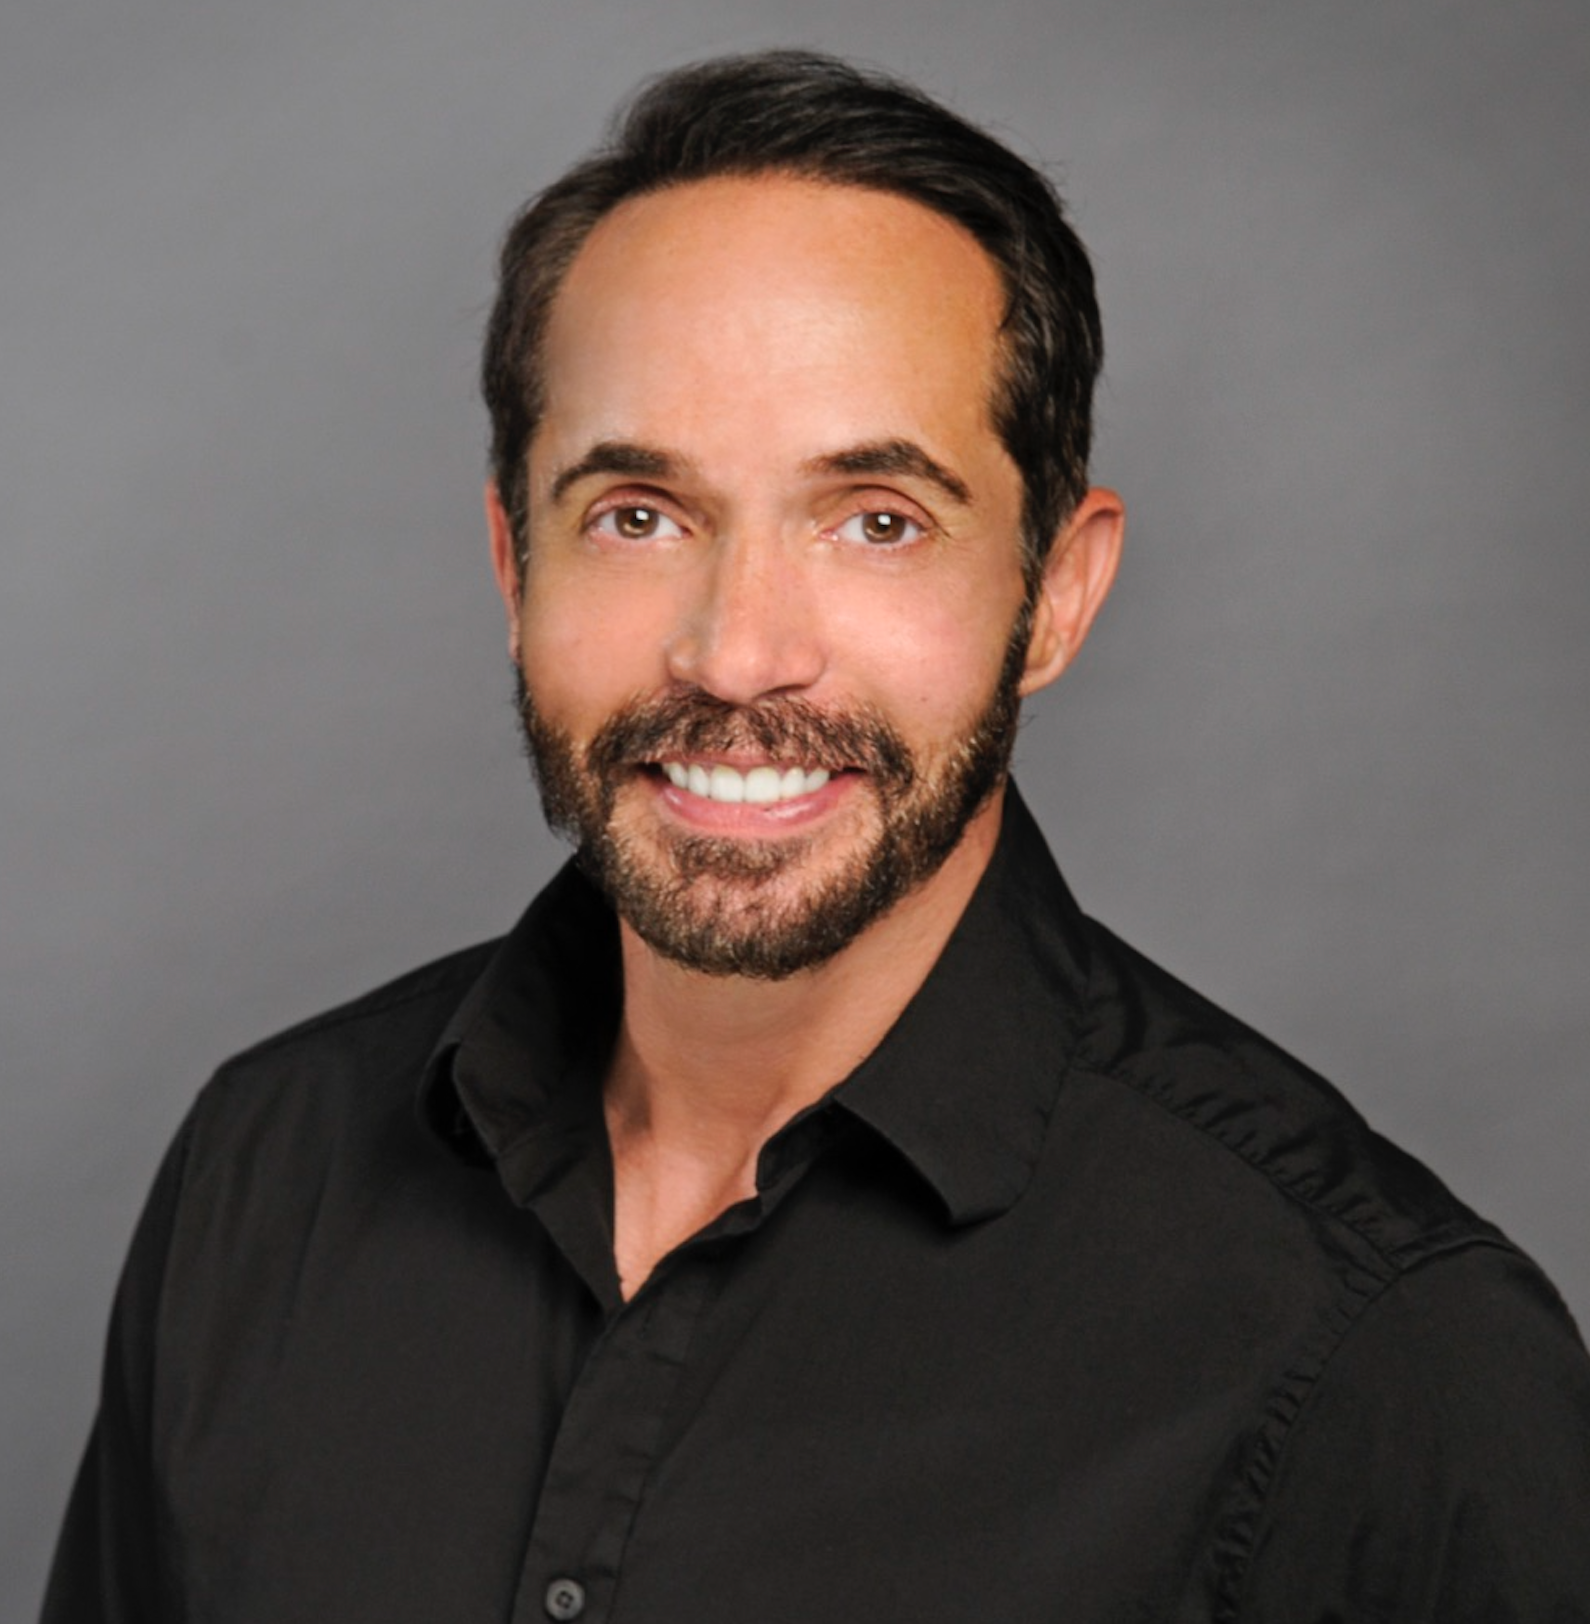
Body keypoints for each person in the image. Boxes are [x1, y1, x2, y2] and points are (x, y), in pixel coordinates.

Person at [43, 49, 1590, 1624]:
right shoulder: (267, 1169)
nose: (734, 652)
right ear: (516, 566)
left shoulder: (1378, 1355)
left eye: (875, 521)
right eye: (639, 513)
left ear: (1053, 590)